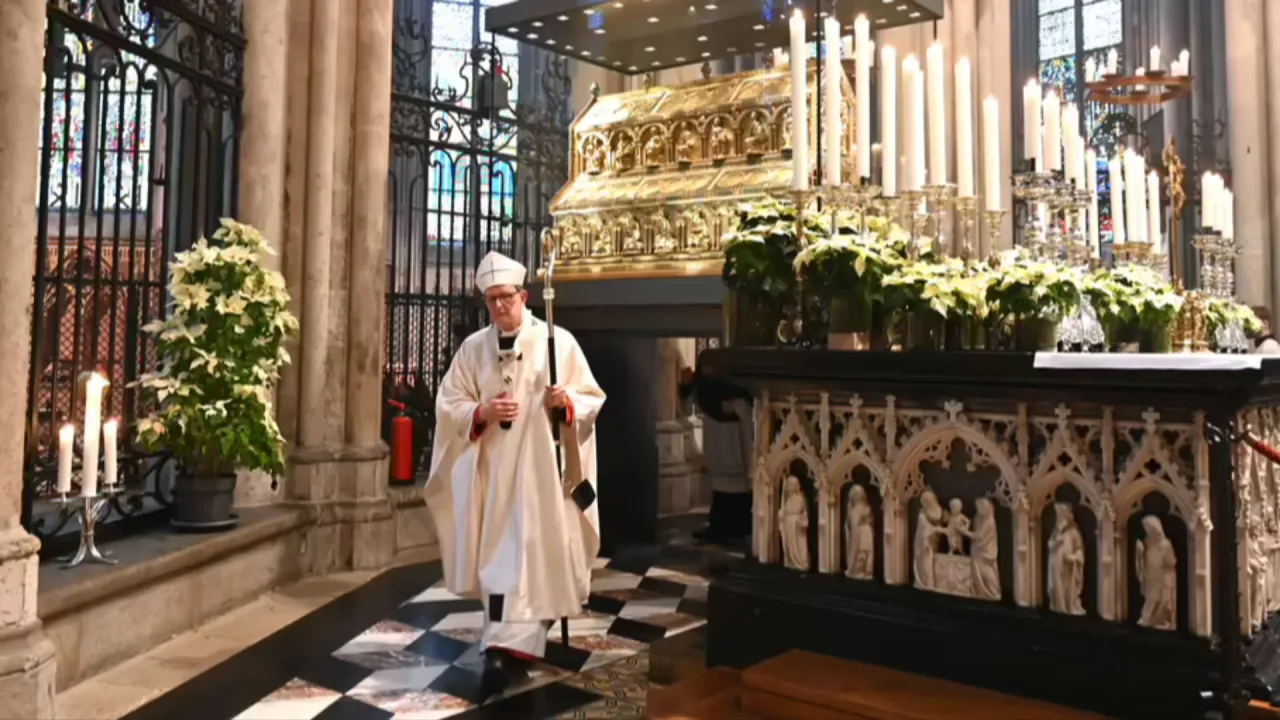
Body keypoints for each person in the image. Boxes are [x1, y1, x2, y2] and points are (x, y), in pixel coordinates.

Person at [425, 251, 606, 698]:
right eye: (491, 299)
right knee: (501, 563)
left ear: (524, 296)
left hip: (542, 478)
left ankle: (504, 653)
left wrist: (565, 403)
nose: (500, 305)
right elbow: (449, 404)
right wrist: (481, 412)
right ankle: (504, 649)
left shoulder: (557, 342)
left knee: (533, 558)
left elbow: (590, 397)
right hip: (496, 478)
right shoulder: (473, 349)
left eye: (506, 296)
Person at [678, 365, 754, 546]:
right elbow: (686, 409)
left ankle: (736, 528)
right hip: (718, 452)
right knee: (720, 494)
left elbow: (748, 424)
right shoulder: (704, 391)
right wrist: (685, 386)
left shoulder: (737, 396)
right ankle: (719, 526)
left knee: (737, 496)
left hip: (735, 453)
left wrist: (751, 457)